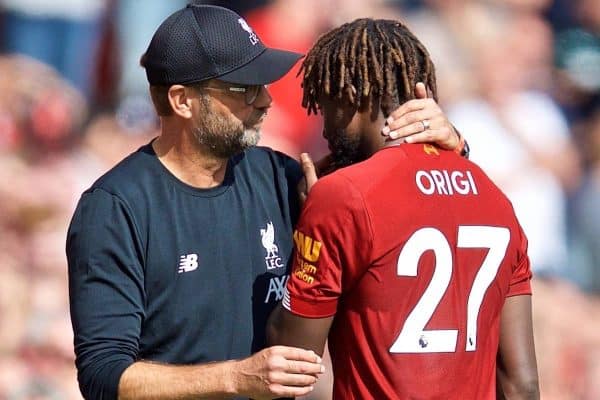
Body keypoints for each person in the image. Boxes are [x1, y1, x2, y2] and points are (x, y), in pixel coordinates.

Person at [66, 5, 465, 400]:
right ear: (182, 100)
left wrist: (451, 146)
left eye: (264, 84)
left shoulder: (279, 176)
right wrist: (237, 377)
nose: (265, 101)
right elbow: (104, 375)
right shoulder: (116, 208)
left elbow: (409, 199)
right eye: (245, 88)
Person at [267, 18, 540, 400]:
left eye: (324, 104)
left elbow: (293, 359)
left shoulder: (342, 195)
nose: (324, 127)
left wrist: (305, 231)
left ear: (351, 95)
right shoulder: (495, 197)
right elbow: (522, 385)